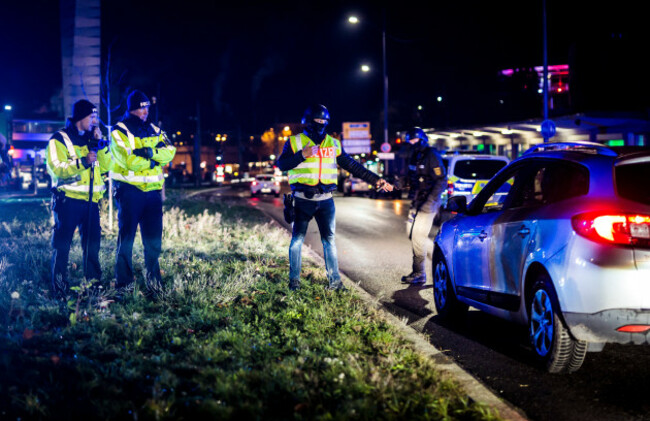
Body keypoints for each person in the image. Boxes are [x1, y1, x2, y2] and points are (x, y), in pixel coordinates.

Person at [277, 104, 393, 291]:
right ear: (307, 121)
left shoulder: (333, 144)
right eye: (318, 120)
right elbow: (281, 164)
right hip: (302, 200)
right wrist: (302, 155)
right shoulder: (294, 141)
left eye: (324, 121)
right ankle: (294, 282)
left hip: (326, 200)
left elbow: (353, 166)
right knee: (297, 240)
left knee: (329, 241)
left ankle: (336, 283)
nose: (321, 124)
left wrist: (376, 180)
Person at [110, 90, 176, 293]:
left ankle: (155, 283)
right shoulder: (119, 131)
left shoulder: (155, 129)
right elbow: (128, 161)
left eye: (147, 107)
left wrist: (149, 153)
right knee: (126, 240)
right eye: (141, 107)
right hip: (130, 192)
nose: (145, 111)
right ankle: (124, 284)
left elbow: (170, 151)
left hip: (153, 195)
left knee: (153, 241)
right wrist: (156, 159)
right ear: (132, 108)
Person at [45, 99, 112, 298]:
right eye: (91, 116)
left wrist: (102, 146)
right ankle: (59, 288)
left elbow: (107, 166)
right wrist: (83, 162)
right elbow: (57, 168)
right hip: (68, 201)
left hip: (91, 202)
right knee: (62, 245)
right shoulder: (59, 138)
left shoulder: (94, 138)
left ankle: (93, 285)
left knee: (92, 245)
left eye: (95, 116)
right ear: (81, 117)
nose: (94, 120)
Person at [397, 127, 447, 284]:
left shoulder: (432, 155)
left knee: (418, 236)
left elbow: (441, 180)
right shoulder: (415, 155)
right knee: (413, 235)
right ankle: (441, 258)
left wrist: (431, 201)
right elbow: (411, 177)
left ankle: (420, 273)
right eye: (410, 141)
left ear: (422, 140)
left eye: (414, 140)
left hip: (428, 203)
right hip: (417, 201)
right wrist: (399, 183)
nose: (412, 143)